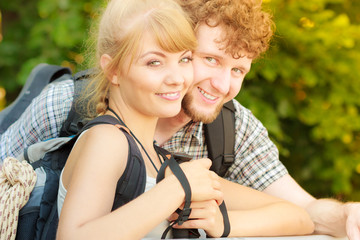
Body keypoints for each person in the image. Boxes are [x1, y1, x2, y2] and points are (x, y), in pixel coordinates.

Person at [0, 0, 357, 239]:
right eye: (211, 59)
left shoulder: (214, 138)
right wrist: (176, 190)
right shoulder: (80, 114)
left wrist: (344, 218)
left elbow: (302, 213)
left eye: (238, 69)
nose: (222, 84)